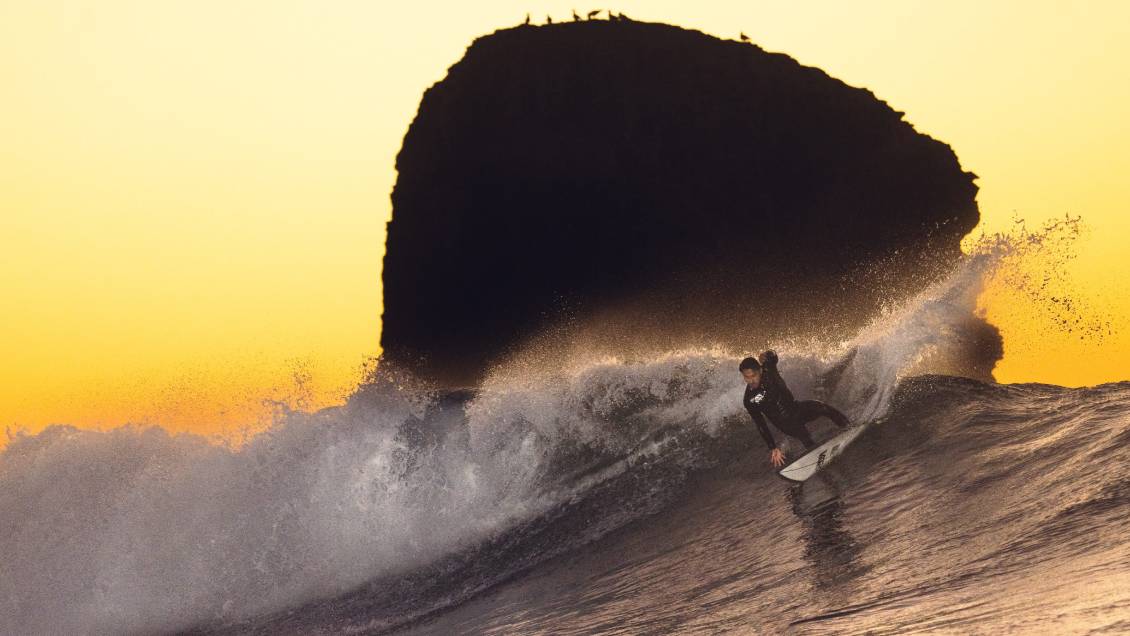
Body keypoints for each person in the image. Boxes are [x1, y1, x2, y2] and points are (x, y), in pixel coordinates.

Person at [740, 350, 851, 468]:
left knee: (823, 408)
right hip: (785, 423)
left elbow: (773, 355)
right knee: (804, 436)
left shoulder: (768, 368)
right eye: (747, 377)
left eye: (753, 376)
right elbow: (760, 424)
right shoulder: (749, 400)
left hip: (796, 408)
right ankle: (820, 460)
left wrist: (767, 354)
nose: (751, 380)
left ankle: (849, 428)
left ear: (760, 370)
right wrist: (773, 447)